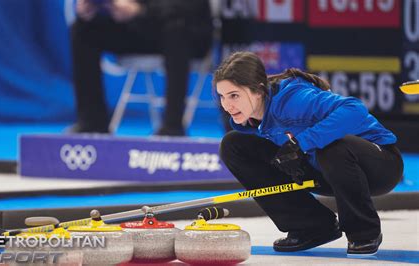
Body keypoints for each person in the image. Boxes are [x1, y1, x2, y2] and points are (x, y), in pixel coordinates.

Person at [214, 51, 403, 256]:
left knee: (331, 146)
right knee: (233, 145)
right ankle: (312, 225)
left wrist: (301, 144)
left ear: (258, 90)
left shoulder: (294, 99)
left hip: (380, 166)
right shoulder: (250, 121)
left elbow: (354, 108)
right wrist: (292, 154)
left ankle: (364, 231)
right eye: (222, 96)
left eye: (234, 95)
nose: (227, 105)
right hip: (326, 170)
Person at [69, 0, 213, 136]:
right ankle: (92, 121)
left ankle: (172, 126)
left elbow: (190, 7)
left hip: (187, 31)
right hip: (142, 27)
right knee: (83, 29)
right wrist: (96, 7)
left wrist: (141, 10)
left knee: (176, 29)